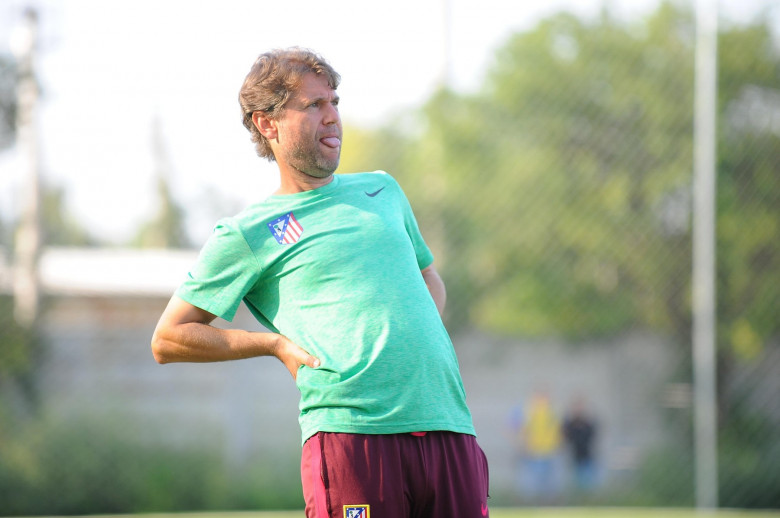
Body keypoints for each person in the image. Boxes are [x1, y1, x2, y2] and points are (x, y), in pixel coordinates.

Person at [151, 47, 489, 518]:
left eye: (334, 102)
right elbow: (169, 338)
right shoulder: (249, 232)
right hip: (352, 435)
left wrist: (409, 336)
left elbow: (428, 275)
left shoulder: (383, 190)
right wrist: (272, 345)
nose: (333, 117)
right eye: (314, 106)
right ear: (267, 124)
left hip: (448, 422)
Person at [562, 396, 599, 492]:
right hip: (575, 457)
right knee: (577, 482)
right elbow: (566, 436)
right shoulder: (571, 423)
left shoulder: (587, 423)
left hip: (587, 456)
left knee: (588, 482)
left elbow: (592, 434)